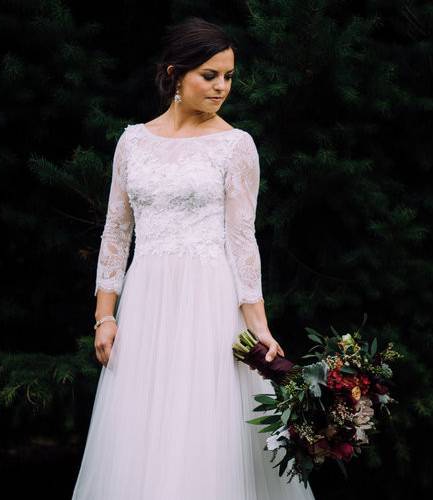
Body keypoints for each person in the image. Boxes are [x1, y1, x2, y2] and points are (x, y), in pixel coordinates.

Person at [71, 16, 316, 500]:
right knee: (141, 431)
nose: (222, 87)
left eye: (228, 76)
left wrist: (259, 326)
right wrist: (104, 315)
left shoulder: (235, 146)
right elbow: (117, 232)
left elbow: (242, 240)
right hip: (145, 306)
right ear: (174, 74)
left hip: (208, 302)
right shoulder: (133, 142)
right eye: (210, 75)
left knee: (202, 428)